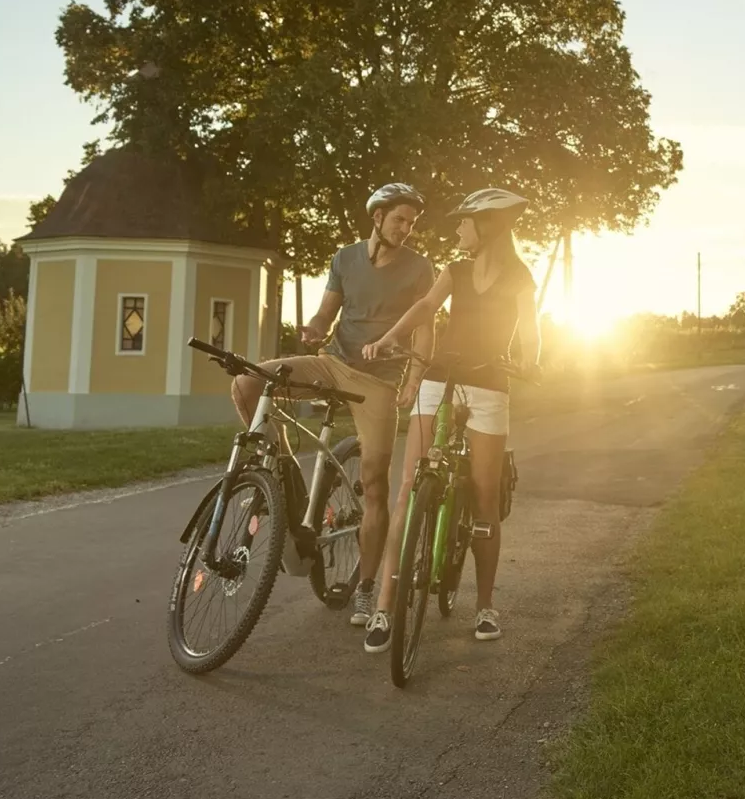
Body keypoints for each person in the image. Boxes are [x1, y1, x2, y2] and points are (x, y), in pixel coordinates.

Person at [228, 183, 435, 629]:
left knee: (376, 485)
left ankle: (364, 588)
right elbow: (328, 312)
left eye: (411, 223)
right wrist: (314, 328)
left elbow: (423, 329)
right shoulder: (345, 258)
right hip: (331, 362)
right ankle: (284, 481)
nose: (407, 229)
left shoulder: (421, 268)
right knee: (247, 384)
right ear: (377, 217)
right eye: (399, 219)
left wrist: (413, 379)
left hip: (378, 382)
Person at [359, 187, 541, 650]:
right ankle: (384, 606)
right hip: (439, 381)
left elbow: (530, 330)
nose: (457, 228)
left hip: (488, 386)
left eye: (465, 222)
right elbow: (424, 308)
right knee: (409, 488)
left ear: (486, 227)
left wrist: (531, 361)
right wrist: (389, 337)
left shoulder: (520, 276)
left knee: (483, 498)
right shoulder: (454, 270)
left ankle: (483, 606)